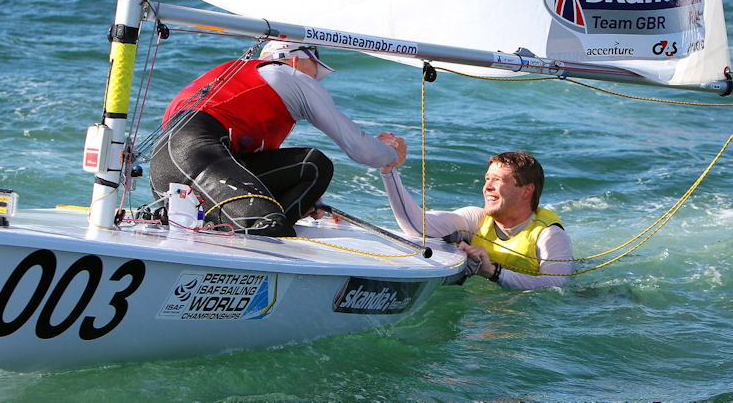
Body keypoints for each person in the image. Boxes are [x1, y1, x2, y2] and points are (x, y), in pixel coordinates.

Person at [149, 41, 400, 237]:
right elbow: (364, 152)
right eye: (314, 73)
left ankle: (252, 226)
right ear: (294, 60)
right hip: (193, 154)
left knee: (313, 167)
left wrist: (303, 199)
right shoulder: (288, 75)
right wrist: (391, 153)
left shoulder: (241, 82)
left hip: (168, 167)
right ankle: (263, 231)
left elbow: (241, 169)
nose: (315, 82)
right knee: (272, 226)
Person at [378, 137, 573, 289]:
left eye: (497, 180)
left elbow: (555, 286)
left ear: (526, 190)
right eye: (487, 179)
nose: (487, 187)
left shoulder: (549, 235)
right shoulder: (477, 219)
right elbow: (418, 227)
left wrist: (494, 272)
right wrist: (389, 172)